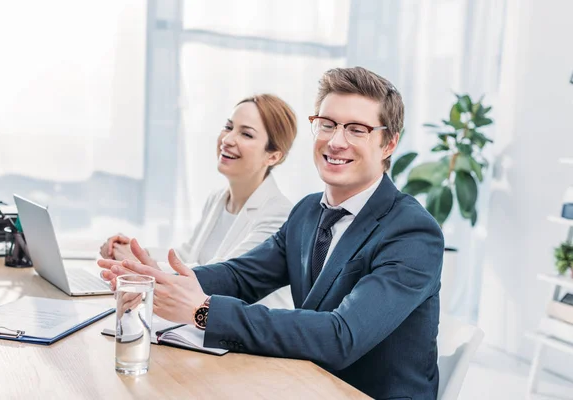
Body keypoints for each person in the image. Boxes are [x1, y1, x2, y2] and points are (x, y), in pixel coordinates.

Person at [99, 67, 444, 399]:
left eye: (356, 129)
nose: (336, 141)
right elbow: (242, 276)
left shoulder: (412, 232)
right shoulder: (308, 211)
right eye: (327, 124)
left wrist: (204, 309)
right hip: (303, 384)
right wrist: (158, 282)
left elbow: (341, 337)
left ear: (388, 144)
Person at [100, 94, 298, 309]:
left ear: (273, 157)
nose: (228, 139)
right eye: (228, 127)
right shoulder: (218, 199)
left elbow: (222, 276)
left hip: (242, 335)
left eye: (246, 134)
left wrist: (136, 264)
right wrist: (136, 251)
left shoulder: (279, 214)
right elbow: (186, 256)